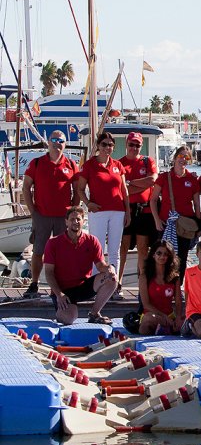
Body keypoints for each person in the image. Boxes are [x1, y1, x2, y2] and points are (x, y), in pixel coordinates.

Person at [21, 130, 80, 298]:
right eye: (54, 140)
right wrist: (33, 211)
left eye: (60, 140)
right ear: (48, 142)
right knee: (38, 251)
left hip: (63, 218)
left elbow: (77, 190)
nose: (57, 143)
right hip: (42, 215)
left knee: (62, 252)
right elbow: (26, 187)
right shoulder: (37, 163)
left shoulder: (71, 164)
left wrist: (72, 211)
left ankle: (60, 285)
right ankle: (34, 283)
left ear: (65, 144)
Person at [76, 132, 130, 297]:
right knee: (97, 249)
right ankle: (96, 284)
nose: (108, 148)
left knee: (114, 250)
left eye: (111, 145)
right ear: (98, 146)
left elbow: (123, 189)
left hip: (118, 212)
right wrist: (87, 203)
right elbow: (79, 188)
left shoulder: (117, 165)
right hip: (98, 212)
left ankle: (114, 286)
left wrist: (128, 211)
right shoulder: (90, 165)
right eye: (104, 144)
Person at [44, 206, 117, 325]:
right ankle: (61, 311)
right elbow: (48, 272)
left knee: (112, 278)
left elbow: (100, 266)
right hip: (63, 291)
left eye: (78, 219)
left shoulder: (92, 241)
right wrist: (59, 294)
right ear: (66, 221)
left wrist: (110, 268)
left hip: (84, 286)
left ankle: (94, 313)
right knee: (68, 319)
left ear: (83, 221)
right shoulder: (53, 243)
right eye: (72, 219)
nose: (75, 222)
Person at [150, 146, 201, 280]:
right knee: (164, 256)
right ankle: (163, 284)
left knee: (182, 258)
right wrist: (156, 220)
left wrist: (198, 226)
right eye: (180, 156)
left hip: (185, 225)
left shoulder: (192, 179)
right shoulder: (163, 178)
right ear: (174, 158)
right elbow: (153, 200)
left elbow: (196, 204)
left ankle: (178, 287)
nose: (183, 159)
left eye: (187, 157)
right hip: (166, 224)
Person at [118, 131, 159, 297]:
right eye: (131, 144)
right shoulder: (119, 163)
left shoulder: (147, 161)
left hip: (144, 210)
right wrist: (140, 186)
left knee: (143, 248)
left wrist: (130, 184)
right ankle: (117, 283)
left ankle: (142, 283)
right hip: (126, 209)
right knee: (123, 247)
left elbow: (152, 180)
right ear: (126, 145)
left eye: (137, 145)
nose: (134, 148)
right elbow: (121, 189)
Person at [138, 240, 183, 336]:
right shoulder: (144, 277)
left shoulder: (175, 277)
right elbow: (146, 305)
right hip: (151, 316)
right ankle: (165, 329)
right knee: (145, 325)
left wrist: (178, 317)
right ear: (153, 255)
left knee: (191, 320)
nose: (162, 257)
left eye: (166, 254)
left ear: (169, 257)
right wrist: (164, 317)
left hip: (170, 316)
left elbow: (178, 301)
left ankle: (165, 329)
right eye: (159, 253)